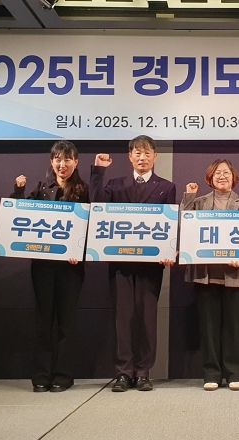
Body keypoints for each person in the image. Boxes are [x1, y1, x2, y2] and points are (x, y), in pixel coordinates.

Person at [90, 135, 176, 392]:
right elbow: (97, 207)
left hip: (151, 265)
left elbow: (171, 223)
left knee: (147, 319)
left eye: (147, 153)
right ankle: (123, 372)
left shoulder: (166, 187)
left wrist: (169, 250)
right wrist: (98, 172)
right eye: (137, 153)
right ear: (130, 157)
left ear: (155, 157)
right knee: (123, 318)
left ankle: (143, 372)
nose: (142, 157)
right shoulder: (115, 185)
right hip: (121, 262)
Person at [11, 140, 88, 393]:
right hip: (43, 266)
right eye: (57, 159)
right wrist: (18, 191)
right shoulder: (42, 188)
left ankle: (63, 375)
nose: (62, 164)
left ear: (76, 162)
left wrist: (79, 251)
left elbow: (91, 225)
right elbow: (20, 215)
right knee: (43, 320)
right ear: (51, 161)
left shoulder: (83, 190)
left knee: (66, 322)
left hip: (71, 268)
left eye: (67, 159)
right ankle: (41, 375)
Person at [181, 159, 239, 392]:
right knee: (209, 326)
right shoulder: (199, 202)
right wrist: (189, 196)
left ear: (234, 177)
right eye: (217, 173)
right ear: (210, 178)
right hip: (206, 273)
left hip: (236, 272)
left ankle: (235, 373)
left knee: (236, 327)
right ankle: (211, 373)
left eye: (226, 172)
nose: (222, 176)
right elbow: (184, 227)